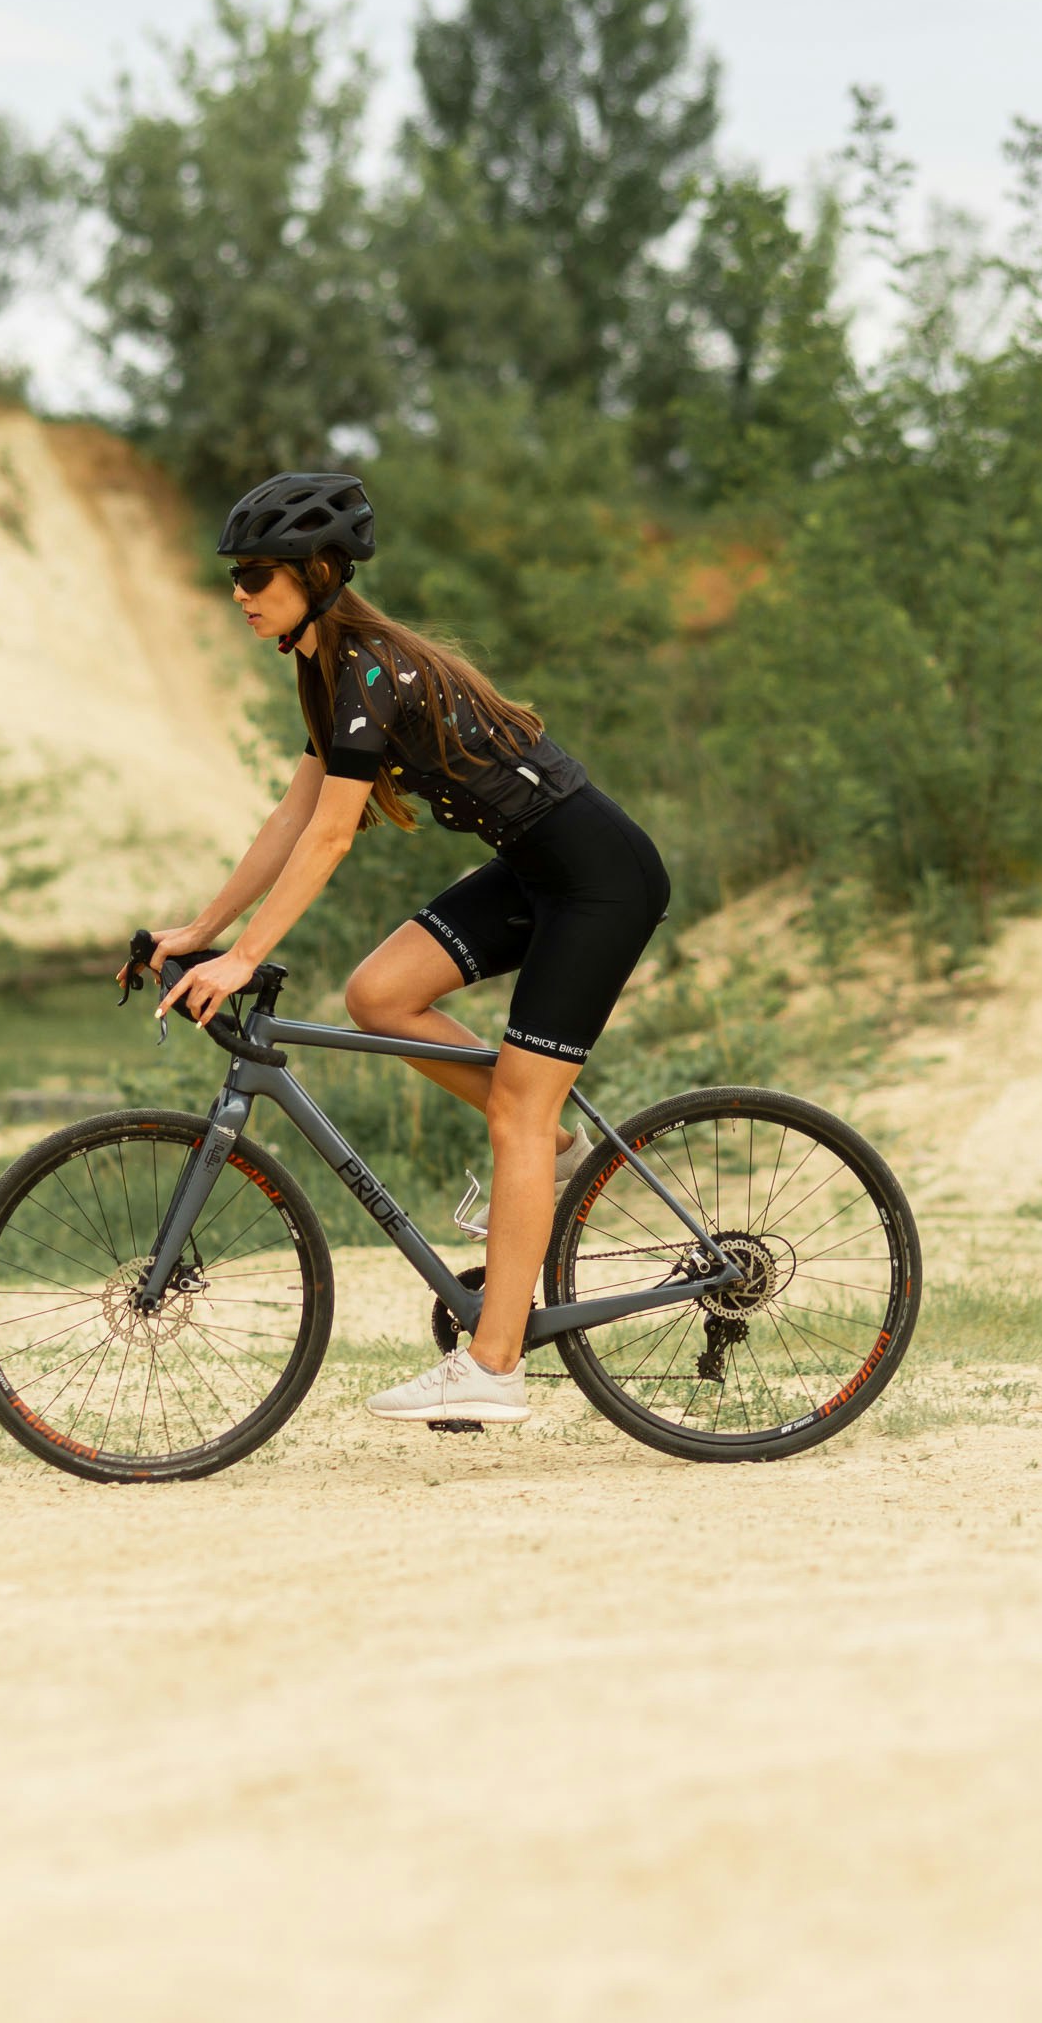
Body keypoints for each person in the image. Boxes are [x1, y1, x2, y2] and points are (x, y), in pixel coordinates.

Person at [144, 472, 671, 1427]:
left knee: (512, 1106)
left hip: (600, 881)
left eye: (256, 574)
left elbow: (332, 838)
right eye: (237, 576)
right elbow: (292, 816)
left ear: (318, 571)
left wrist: (240, 959)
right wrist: (204, 933)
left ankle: (496, 1362)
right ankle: (553, 1146)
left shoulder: (373, 669)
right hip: (538, 870)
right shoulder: (330, 671)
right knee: (380, 992)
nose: (241, 593)